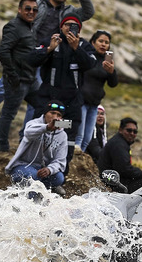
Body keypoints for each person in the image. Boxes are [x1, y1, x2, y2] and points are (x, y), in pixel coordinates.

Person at [0, 0, 95, 133]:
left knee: (37, 98)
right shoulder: (37, 5)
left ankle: (27, 132)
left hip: (49, 58)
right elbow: (22, 18)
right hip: (29, 52)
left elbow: (89, 12)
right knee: (6, 85)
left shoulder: (69, 11)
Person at [30, 15, 96, 172]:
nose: (69, 28)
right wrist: (49, 50)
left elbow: (90, 64)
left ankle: (60, 175)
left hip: (71, 104)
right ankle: (33, 169)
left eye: (74, 26)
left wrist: (76, 49)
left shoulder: (84, 45)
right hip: (48, 100)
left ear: (79, 29)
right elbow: (32, 59)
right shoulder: (51, 41)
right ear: (61, 27)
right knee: (40, 131)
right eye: (67, 25)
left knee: (67, 136)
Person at [0, 0, 41, 153]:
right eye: (27, 9)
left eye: (35, 9)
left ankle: (29, 141)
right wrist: (12, 75)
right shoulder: (13, 26)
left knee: (42, 106)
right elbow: (3, 52)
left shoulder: (31, 27)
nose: (31, 12)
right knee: (9, 113)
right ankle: (1, 147)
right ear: (20, 9)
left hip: (31, 79)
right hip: (18, 80)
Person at [5, 100, 69, 195]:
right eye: (52, 113)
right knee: (33, 176)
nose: (55, 117)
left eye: (59, 115)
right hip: (23, 166)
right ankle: (30, 199)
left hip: (43, 169)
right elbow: (27, 133)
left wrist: (49, 170)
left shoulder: (62, 135)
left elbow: (60, 161)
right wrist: (46, 127)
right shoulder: (33, 123)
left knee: (59, 178)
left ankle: (37, 190)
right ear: (45, 113)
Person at [77, 30, 118, 152]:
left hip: (94, 105)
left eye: (106, 42)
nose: (103, 45)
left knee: (87, 138)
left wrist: (112, 72)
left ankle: (79, 162)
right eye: (100, 41)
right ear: (93, 42)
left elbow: (113, 84)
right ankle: (72, 163)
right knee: (79, 136)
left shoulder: (106, 62)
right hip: (81, 102)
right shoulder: (87, 56)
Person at [98, 118, 142, 193]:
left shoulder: (120, 142)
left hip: (117, 180)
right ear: (120, 130)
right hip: (116, 185)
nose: (132, 133)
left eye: (135, 131)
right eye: (129, 130)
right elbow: (124, 169)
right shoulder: (118, 145)